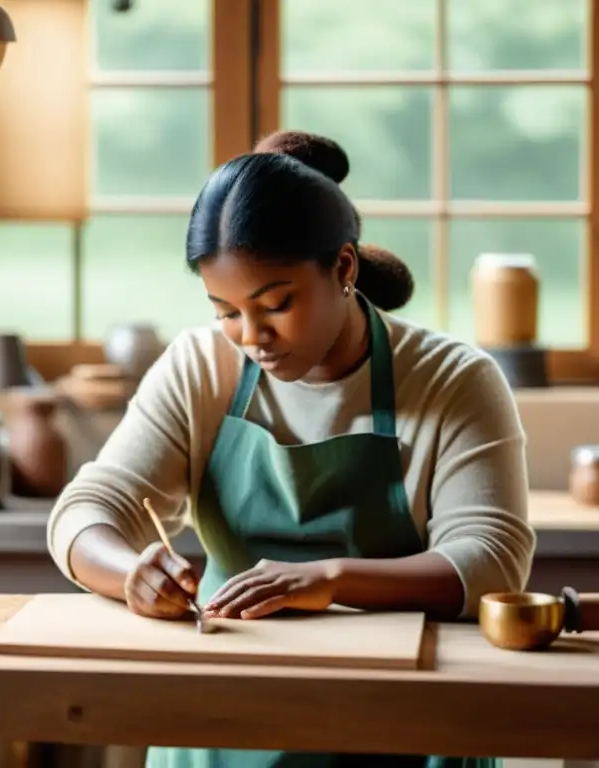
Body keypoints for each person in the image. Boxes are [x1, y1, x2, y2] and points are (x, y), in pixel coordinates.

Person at [47, 131, 536, 768]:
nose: (252, 338)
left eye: (276, 305)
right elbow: (87, 509)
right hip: (223, 720)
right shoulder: (202, 367)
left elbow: (493, 564)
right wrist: (128, 572)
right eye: (226, 311)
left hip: (405, 724)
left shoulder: (452, 379)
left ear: (344, 268)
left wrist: (329, 580)